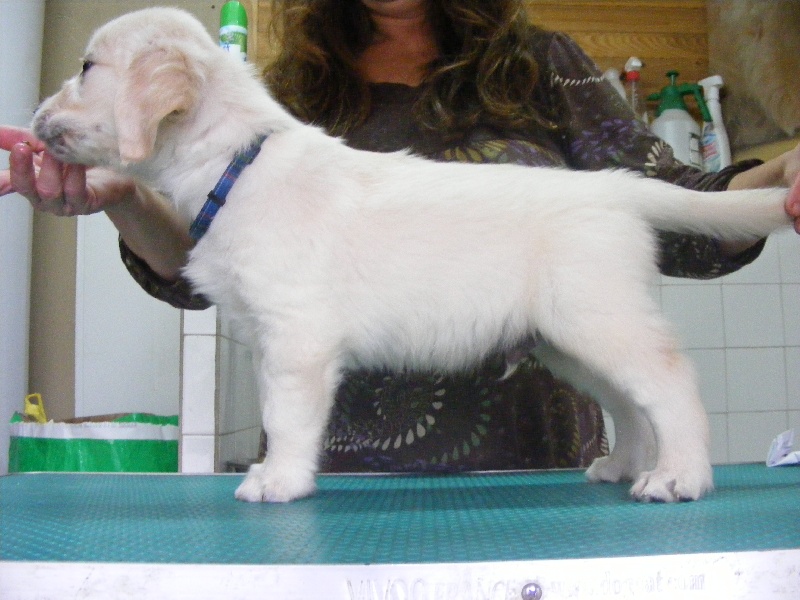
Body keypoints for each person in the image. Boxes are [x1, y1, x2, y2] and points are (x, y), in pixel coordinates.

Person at [3, 0, 800, 473]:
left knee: (607, 346)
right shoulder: (282, 95)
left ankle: (670, 444)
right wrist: (125, 195)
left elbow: (684, 214)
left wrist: (782, 178)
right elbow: (206, 266)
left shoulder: (542, 63)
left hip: (534, 475)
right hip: (344, 484)